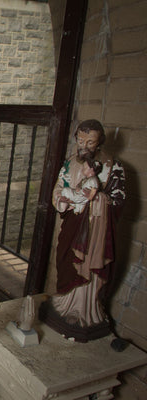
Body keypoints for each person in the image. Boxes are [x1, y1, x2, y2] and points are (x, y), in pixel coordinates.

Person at [40, 119, 126, 342]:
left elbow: (118, 201)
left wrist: (96, 199)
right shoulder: (70, 163)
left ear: (99, 143)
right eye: (81, 140)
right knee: (65, 259)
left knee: (87, 265)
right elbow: (58, 187)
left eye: (90, 141)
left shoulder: (111, 166)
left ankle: (86, 310)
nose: (84, 145)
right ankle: (65, 301)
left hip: (95, 229)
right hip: (72, 222)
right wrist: (62, 198)